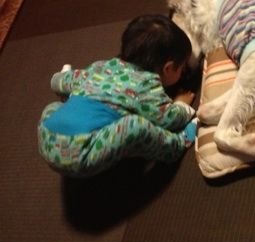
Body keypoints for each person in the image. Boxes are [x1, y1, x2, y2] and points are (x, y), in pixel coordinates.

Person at [38, 14, 197, 177]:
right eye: (182, 67)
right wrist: (181, 106)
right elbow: (168, 119)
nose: (183, 71)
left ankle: (73, 98)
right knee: (134, 126)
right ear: (168, 68)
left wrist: (60, 77)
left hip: (47, 138)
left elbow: (59, 81)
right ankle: (178, 143)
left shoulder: (101, 66)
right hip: (80, 154)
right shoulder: (146, 84)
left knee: (54, 107)